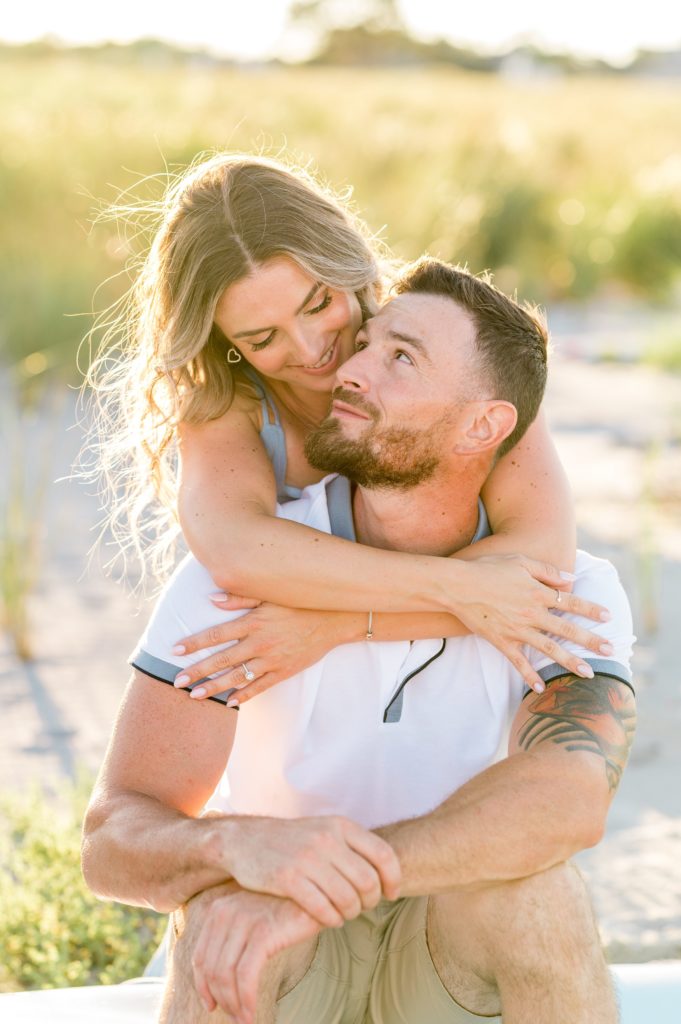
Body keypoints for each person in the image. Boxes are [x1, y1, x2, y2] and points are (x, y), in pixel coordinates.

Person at [82, 258, 636, 1024]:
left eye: (400, 358)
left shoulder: (560, 594)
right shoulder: (240, 574)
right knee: (220, 912)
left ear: (484, 425)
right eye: (367, 341)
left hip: (443, 948)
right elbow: (112, 838)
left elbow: (567, 801)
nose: (349, 368)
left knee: (541, 892)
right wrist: (234, 851)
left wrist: (342, 879)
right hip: (281, 954)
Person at [86, 152, 611, 698]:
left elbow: (541, 558)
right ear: (226, 344)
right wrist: (461, 587)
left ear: (347, 264)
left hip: (450, 673)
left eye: (318, 304)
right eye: (262, 340)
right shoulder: (226, 402)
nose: (314, 352)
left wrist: (336, 627)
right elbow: (236, 551)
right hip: (297, 684)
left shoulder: (446, 347)